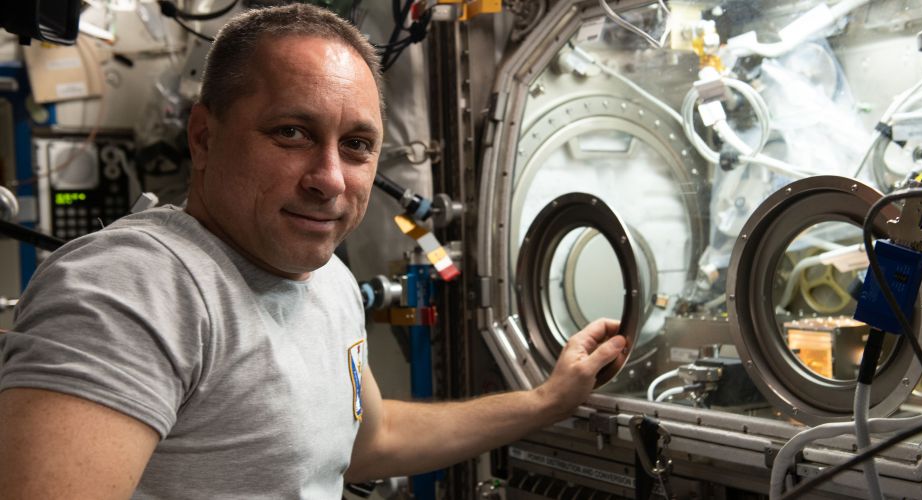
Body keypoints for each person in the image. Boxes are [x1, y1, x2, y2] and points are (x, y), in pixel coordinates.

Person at [0, 4, 626, 498]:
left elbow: (373, 440)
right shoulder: (134, 288)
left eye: (356, 145)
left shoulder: (327, 281)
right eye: (292, 133)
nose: (329, 178)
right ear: (204, 137)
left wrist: (545, 400)